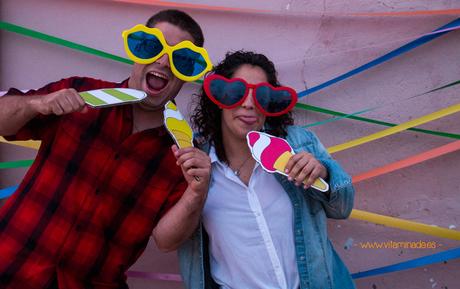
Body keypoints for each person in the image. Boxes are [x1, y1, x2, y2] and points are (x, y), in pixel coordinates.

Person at [0, 9, 211, 289]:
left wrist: (197, 192)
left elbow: (166, 240)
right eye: (152, 46)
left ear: (188, 74)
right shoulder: (79, 92)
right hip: (10, 264)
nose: (163, 61)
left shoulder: (184, 153)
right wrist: (36, 103)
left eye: (181, 59)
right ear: (137, 51)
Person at [178, 51, 356, 289]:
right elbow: (170, 239)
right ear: (219, 98)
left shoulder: (298, 144)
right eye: (236, 93)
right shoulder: (196, 163)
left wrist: (323, 172)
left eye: (261, 95)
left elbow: (343, 208)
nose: (249, 104)